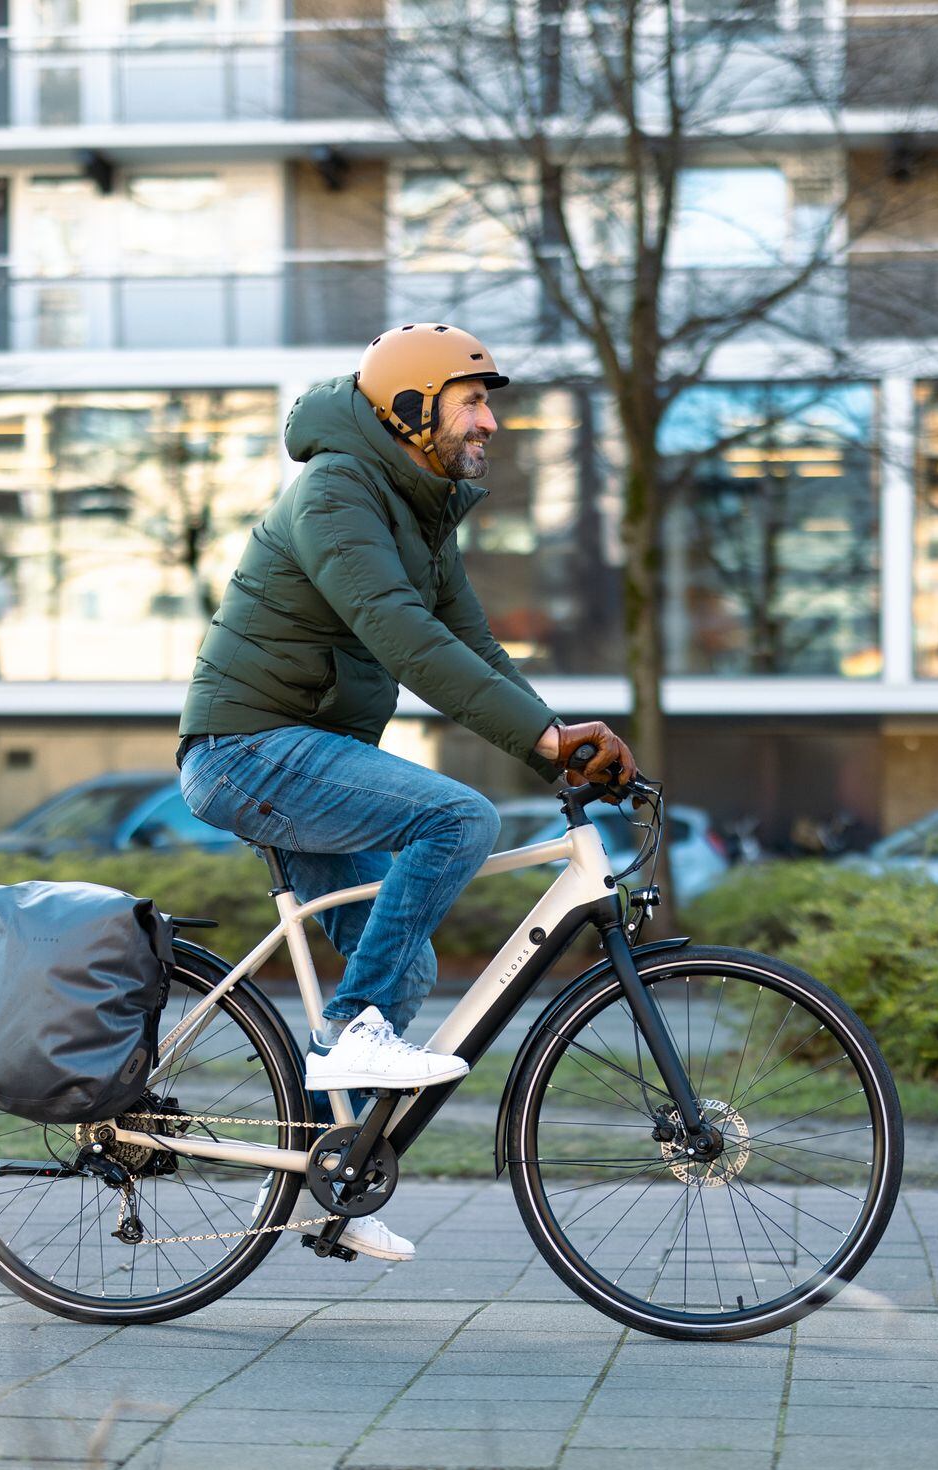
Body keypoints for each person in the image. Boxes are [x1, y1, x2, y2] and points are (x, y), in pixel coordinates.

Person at [176, 323, 637, 1262]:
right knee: (454, 816)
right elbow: (403, 638)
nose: (492, 422)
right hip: (246, 750)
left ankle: (322, 1185)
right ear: (413, 408)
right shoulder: (337, 490)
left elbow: (473, 647)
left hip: (297, 753)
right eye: (474, 401)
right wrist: (541, 740)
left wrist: (558, 744)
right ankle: (352, 1029)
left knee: (410, 967)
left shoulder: (420, 509)